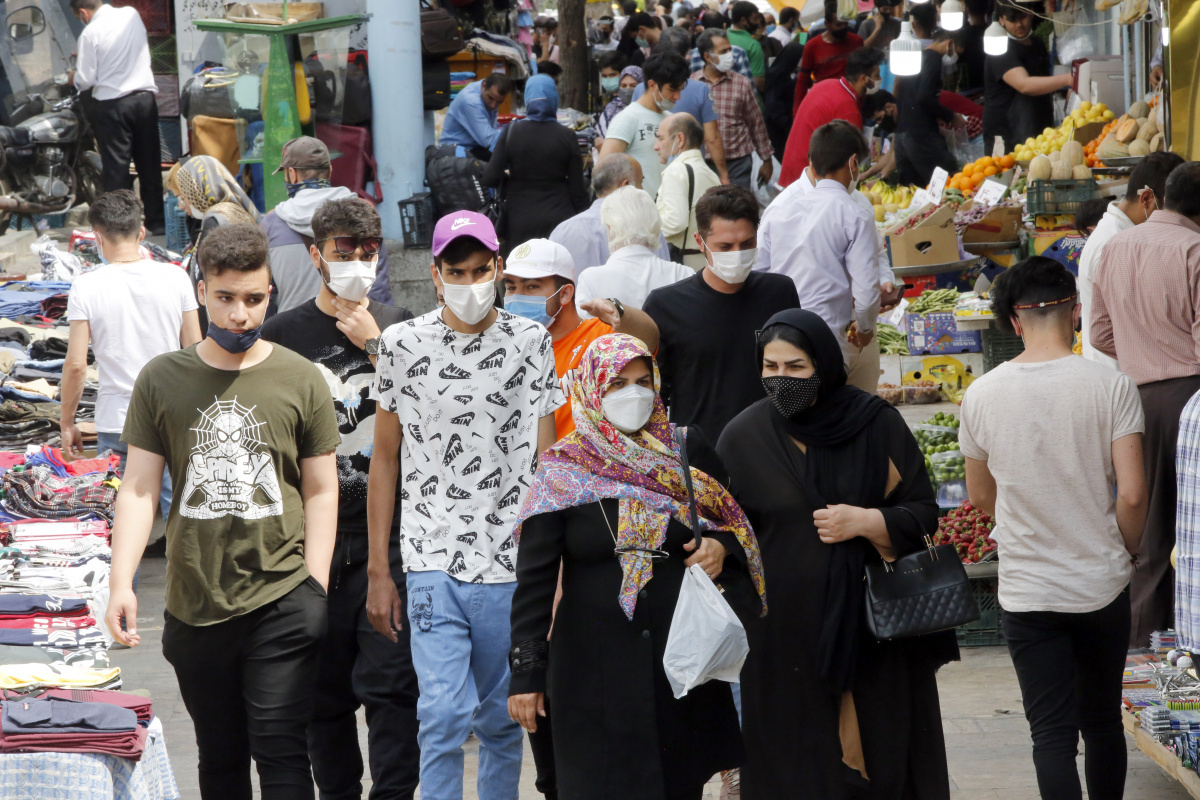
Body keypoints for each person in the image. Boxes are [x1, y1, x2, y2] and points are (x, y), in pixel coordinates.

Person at [105, 223, 342, 799]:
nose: (240, 314)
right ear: (202, 292)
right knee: (220, 757)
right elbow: (138, 488)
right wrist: (120, 582)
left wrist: (314, 585)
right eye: (226, 297)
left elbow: (321, 487)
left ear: (270, 294)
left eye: (254, 299)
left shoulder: (300, 377)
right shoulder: (162, 378)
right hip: (196, 604)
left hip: (283, 597)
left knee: (283, 751)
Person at [509, 332, 765, 800]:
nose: (634, 393)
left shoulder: (685, 451)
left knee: (677, 786)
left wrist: (721, 547)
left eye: (643, 381)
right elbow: (534, 583)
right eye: (617, 383)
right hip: (590, 674)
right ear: (591, 389)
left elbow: (737, 521)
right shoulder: (561, 471)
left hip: (678, 667)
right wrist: (526, 674)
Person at [716, 308, 957, 799]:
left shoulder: (875, 424)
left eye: (796, 367)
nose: (781, 379)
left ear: (823, 366)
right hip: (782, 635)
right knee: (794, 764)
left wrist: (869, 522)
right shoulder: (743, 437)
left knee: (881, 754)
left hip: (872, 630)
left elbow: (922, 511)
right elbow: (727, 529)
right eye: (770, 367)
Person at [366, 211, 564, 800]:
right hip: (430, 557)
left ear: (498, 268)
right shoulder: (401, 345)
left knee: (504, 720)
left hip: (510, 562)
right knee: (443, 714)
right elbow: (384, 458)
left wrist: (551, 568)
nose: (470, 282)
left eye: (481, 270)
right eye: (457, 272)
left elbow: (547, 463)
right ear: (436, 274)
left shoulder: (530, 342)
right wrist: (379, 569)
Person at [962, 257, 1146, 800]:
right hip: (1099, 583)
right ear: (1077, 312)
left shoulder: (982, 393)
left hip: (1028, 589)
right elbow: (1132, 494)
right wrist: (1125, 550)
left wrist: (1027, 520)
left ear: (1013, 322)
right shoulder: (1111, 386)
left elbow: (980, 496)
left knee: (1051, 736)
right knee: (1103, 722)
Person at [259, 197, 420, 800]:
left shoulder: (400, 325)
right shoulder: (282, 335)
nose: (356, 263)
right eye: (343, 252)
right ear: (316, 256)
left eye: (367, 253)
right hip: (312, 543)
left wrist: (380, 348)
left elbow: (429, 425)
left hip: (389, 540)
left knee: (393, 691)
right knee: (321, 700)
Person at [1091, 161, 1200, 648]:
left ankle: (1143, 648)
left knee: (1151, 533)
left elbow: (1099, 333)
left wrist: (1142, 350)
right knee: (1192, 530)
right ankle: (1187, 646)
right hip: (1190, 400)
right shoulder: (1194, 251)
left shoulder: (1116, 246)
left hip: (1134, 401)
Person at [62, 190, 201, 528]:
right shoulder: (175, 276)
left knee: (122, 519)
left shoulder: (86, 286)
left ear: (97, 237)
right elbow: (195, 349)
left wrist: (67, 422)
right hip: (171, 414)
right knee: (181, 517)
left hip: (118, 420)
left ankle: (130, 566)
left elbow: (77, 364)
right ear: (141, 233)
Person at [644, 184, 800, 444]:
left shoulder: (779, 293)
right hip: (702, 455)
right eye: (725, 247)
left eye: (747, 244)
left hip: (772, 447)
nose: (737, 254)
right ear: (700, 242)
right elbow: (654, 394)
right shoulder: (665, 306)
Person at [759, 122, 881, 393]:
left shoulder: (778, 211)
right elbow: (866, 289)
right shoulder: (854, 213)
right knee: (833, 407)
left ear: (812, 166)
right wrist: (865, 329)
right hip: (828, 337)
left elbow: (760, 273)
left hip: (782, 337)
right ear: (853, 163)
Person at [503, 239, 661, 442]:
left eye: (531, 287)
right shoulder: (504, 349)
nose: (517, 297)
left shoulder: (600, 336)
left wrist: (617, 309)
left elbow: (649, 338)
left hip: (592, 460)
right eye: (511, 287)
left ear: (565, 293)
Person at [774, 120, 903, 321]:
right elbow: (767, 274)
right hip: (812, 322)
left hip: (845, 322)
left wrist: (884, 279)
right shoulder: (782, 208)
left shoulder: (859, 203)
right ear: (853, 163)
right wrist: (865, 326)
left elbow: (876, 251)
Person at [261, 136, 392, 314]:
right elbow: (379, 285)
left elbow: (266, 293)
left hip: (291, 327)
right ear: (330, 170)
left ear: (292, 174)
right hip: (352, 325)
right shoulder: (362, 212)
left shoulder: (272, 222)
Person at [1078, 152, 1183, 369]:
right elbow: (1129, 323)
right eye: (1169, 210)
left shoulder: (1125, 235)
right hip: (1118, 372)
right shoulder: (1113, 242)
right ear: (1146, 199)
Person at [69, 0, 164, 234]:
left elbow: (86, 79)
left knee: (117, 170)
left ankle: (122, 228)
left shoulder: (90, 32)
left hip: (113, 105)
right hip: (144, 101)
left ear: (83, 13)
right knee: (150, 165)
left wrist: (72, 76)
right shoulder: (131, 14)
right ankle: (157, 222)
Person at [484, 75, 589, 250]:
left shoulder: (512, 131)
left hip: (518, 219)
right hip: (559, 218)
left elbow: (490, 177)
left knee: (521, 265)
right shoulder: (567, 136)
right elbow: (577, 189)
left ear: (527, 99)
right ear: (554, 99)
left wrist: (509, 176)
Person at [633, 28, 730, 184]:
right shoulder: (701, 89)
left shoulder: (642, 89)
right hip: (687, 174)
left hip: (649, 174)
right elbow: (712, 138)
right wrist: (723, 175)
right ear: (687, 54)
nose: (676, 96)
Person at [576, 186, 694, 313]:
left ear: (610, 229)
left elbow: (586, 324)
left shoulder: (590, 279)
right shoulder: (683, 273)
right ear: (655, 224)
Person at [550, 154, 672, 275]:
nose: (642, 189)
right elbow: (664, 277)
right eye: (641, 182)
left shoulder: (562, 230)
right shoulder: (646, 228)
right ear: (626, 186)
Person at [780, 48, 882, 187]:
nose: (879, 80)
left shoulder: (826, 84)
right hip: (810, 181)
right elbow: (848, 166)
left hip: (792, 170)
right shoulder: (848, 110)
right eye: (877, 75)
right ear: (864, 79)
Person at [600, 52, 691, 200]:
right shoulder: (627, 118)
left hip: (666, 207)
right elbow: (604, 170)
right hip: (635, 207)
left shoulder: (670, 119)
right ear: (652, 85)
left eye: (680, 90)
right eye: (672, 89)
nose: (677, 96)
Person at [983, 0, 1071, 152]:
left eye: (1022, 17)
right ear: (1001, 20)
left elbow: (1044, 81)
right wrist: (1068, 79)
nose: (1019, 25)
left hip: (1037, 127)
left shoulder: (1037, 44)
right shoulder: (999, 49)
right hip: (1006, 134)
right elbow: (1024, 85)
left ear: (1031, 14)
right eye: (1012, 20)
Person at [693, 30, 774, 191]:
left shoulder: (741, 83)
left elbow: (756, 123)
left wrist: (767, 160)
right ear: (707, 57)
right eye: (723, 51)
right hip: (704, 164)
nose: (729, 55)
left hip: (738, 163)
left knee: (737, 205)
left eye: (729, 49)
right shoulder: (693, 84)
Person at [892, 23, 963, 188]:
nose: (954, 57)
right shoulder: (933, 59)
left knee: (912, 190)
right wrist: (951, 116)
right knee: (949, 185)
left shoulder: (917, 58)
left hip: (902, 134)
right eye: (956, 52)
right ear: (950, 43)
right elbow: (925, 97)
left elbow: (898, 88)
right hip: (921, 134)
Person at [654, 113, 721, 269]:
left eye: (661, 138)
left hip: (684, 263)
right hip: (707, 261)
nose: (656, 146)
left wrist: (645, 230)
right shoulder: (709, 172)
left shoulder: (676, 171)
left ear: (680, 139)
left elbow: (675, 221)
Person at [793, 0, 866, 111]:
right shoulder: (812, 46)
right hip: (825, 101)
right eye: (838, 24)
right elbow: (802, 81)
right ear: (827, 24)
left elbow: (863, 73)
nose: (843, 27)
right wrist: (797, 111)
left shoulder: (857, 42)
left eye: (845, 23)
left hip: (851, 101)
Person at [439, 73, 513, 159]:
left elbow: (492, 130)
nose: (493, 105)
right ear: (484, 85)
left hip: (472, 147)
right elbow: (489, 141)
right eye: (490, 98)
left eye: (499, 102)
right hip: (454, 153)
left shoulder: (489, 93)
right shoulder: (470, 101)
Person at [595, 65, 643, 154]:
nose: (627, 89)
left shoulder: (648, 109)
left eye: (633, 85)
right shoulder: (612, 108)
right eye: (623, 85)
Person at [727, 1, 766, 92]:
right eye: (755, 18)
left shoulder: (721, 37)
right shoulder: (753, 45)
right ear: (743, 20)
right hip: (747, 96)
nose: (758, 22)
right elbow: (758, 82)